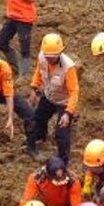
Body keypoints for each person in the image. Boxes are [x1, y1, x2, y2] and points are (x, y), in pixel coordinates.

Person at [27, 33, 79, 161]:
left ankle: (63, 159)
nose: (49, 59)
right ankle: (35, 144)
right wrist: (34, 87)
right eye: (47, 56)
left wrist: (68, 112)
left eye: (53, 57)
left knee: (62, 133)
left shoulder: (68, 67)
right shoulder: (42, 57)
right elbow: (39, 72)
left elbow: (74, 91)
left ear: (60, 53)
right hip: (49, 96)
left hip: (64, 101)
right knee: (37, 120)